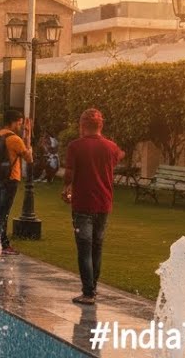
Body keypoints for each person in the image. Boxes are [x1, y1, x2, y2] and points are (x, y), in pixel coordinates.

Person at [62, 108, 124, 305]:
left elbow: (70, 173)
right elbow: (115, 159)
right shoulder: (111, 147)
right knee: (97, 247)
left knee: (84, 248)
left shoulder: (75, 146)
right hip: (104, 203)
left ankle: (88, 292)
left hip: (82, 203)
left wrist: (66, 189)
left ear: (82, 126)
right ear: (101, 125)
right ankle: (93, 288)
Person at [0, 109, 33, 256]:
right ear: (13, 122)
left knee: (0, 212)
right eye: (19, 123)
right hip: (11, 178)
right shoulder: (14, 139)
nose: (20, 126)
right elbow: (29, 158)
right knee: (4, 213)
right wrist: (28, 136)